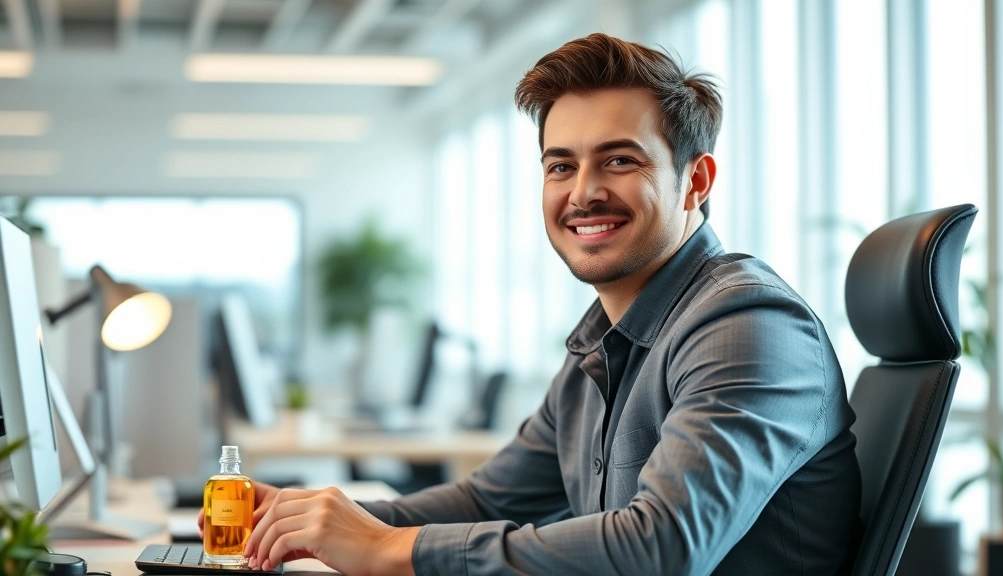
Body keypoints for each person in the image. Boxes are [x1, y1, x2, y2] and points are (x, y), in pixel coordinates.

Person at [200, 33, 862, 575]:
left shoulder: (745, 326)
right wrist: (314, 516)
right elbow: (485, 499)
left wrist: (384, 549)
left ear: (696, 180)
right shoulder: (603, 343)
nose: (582, 193)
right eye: (560, 165)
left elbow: (662, 547)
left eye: (620, 160)